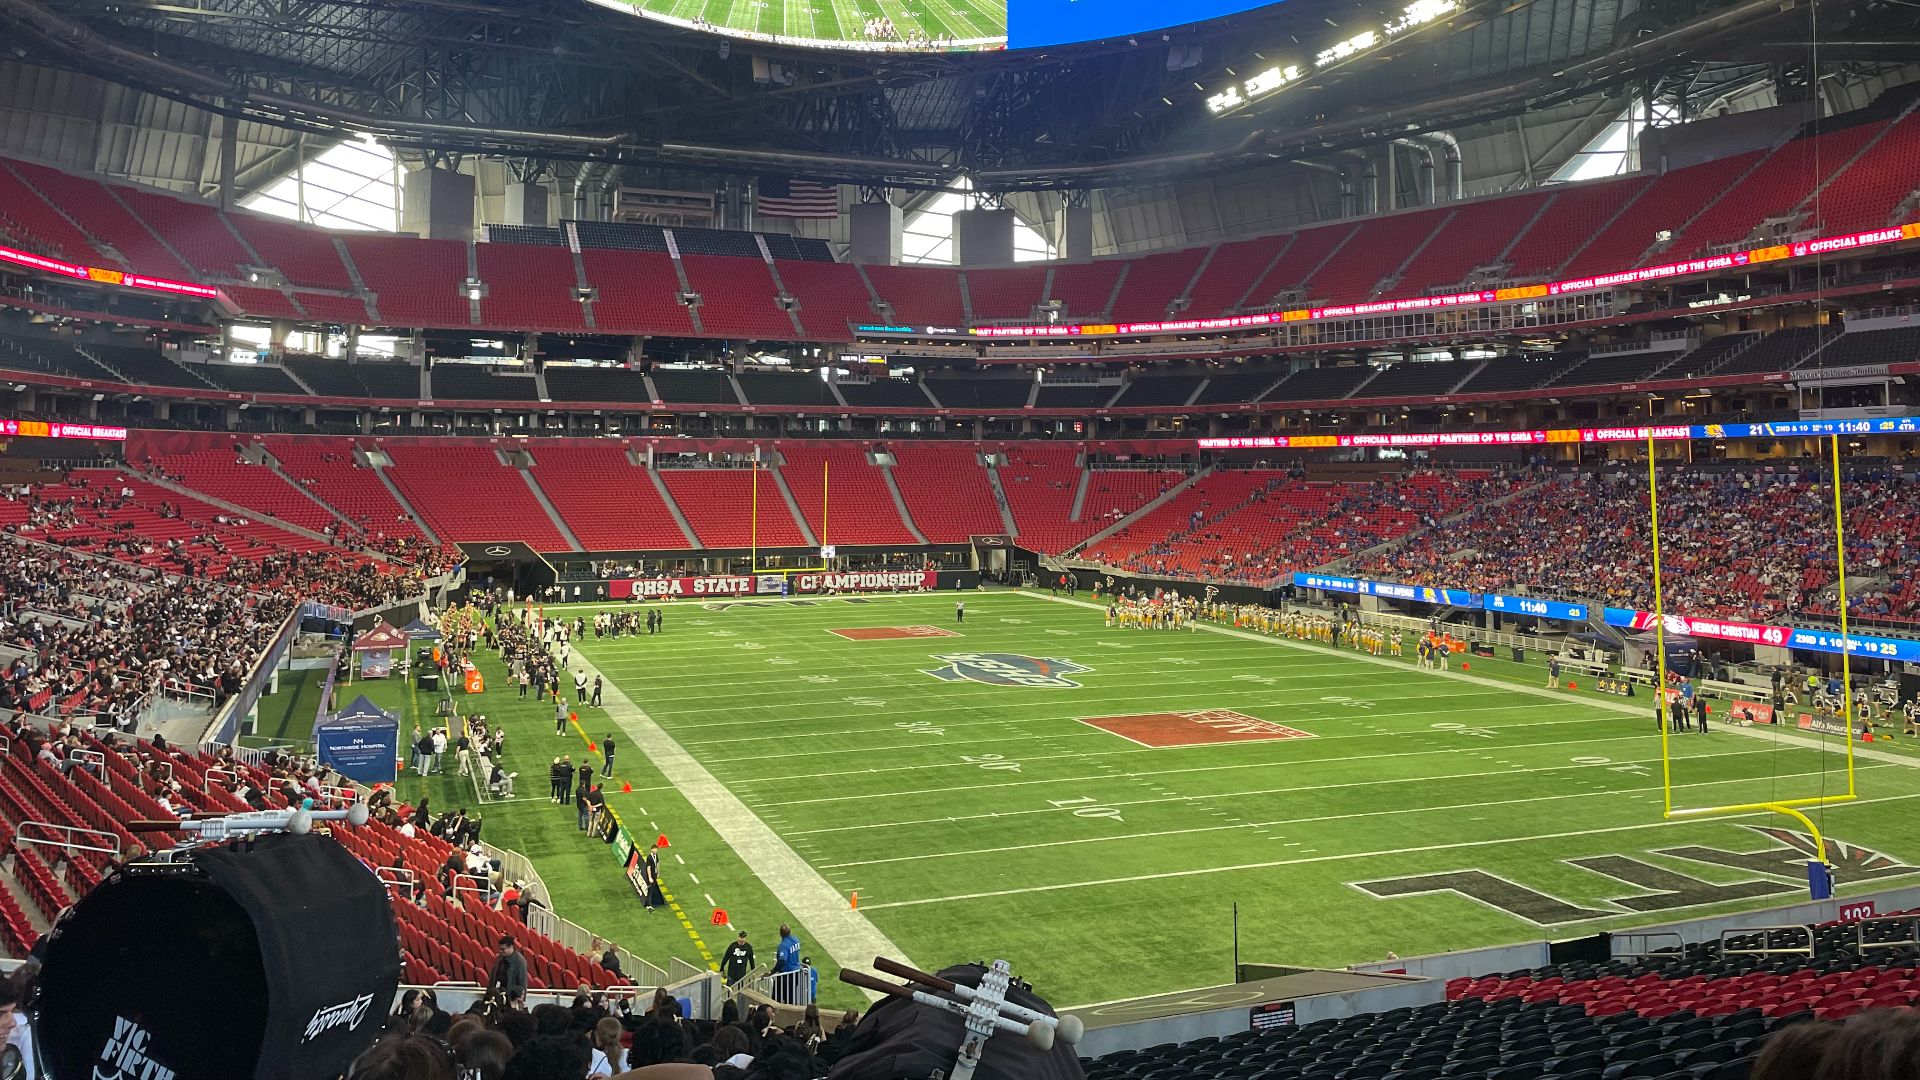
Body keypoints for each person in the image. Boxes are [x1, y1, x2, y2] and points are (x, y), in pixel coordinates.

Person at [486, 935, 527, 1003]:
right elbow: (493, 978)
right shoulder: (500, 958)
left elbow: (522, 983)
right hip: (501, 994)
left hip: (512, 997)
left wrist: (521, 1000)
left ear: (511, 947)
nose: (500, 951)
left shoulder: (520, 961)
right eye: (500, 949)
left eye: (503, 949)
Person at [774, 923, 802, 1003]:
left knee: (777, 997)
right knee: (791, 997)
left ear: (780, 934)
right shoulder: (796, 940)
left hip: (786, 975)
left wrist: (773, 971)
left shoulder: (783, 945)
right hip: (796, 973)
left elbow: (782, 961)